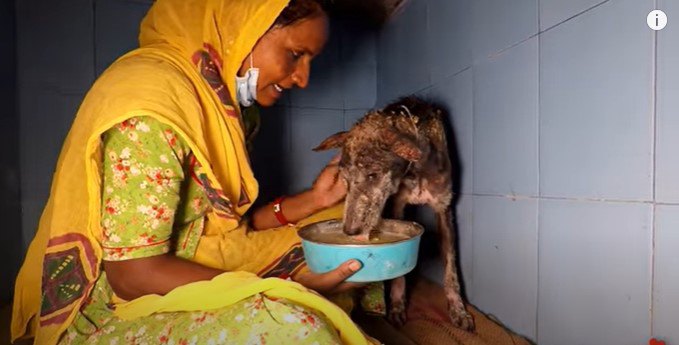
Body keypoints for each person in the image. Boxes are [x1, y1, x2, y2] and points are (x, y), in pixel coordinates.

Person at [11, 0, 381, 344]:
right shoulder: (150, 106)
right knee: (297, 328)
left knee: (357, 229)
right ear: (240, 27)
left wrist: (317, 199)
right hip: (120, 301)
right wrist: (278, 287)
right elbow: (131, 275)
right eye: (295, 54)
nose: (302, 78)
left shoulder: (224, 105)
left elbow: (231, 225)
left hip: (202, 257)